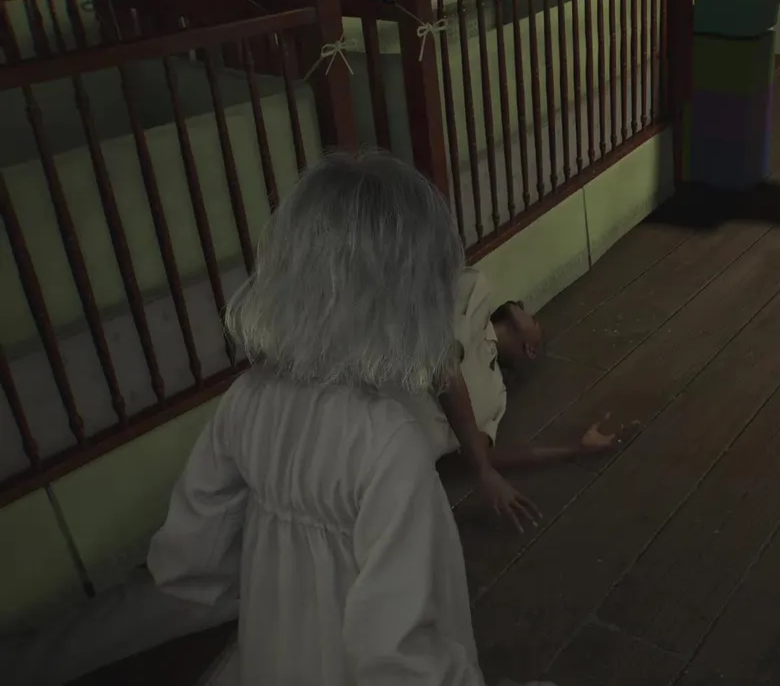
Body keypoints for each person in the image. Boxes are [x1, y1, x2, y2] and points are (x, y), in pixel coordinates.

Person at [0, 152, 554, 686]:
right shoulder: (389, 443)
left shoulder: (248, 396)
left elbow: (191, 558)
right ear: (416, 291)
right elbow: (400, 655)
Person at [431, 270, 632, 532]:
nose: (522, 305)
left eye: (534, 319)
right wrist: (483, 470)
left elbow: (479, 454)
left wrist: (574, 449)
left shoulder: (495, 396)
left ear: (531, 350)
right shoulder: (476, 288)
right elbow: (437, 350)